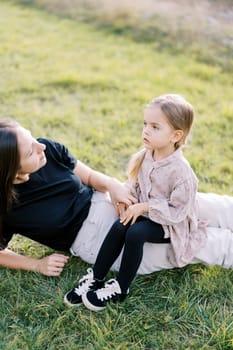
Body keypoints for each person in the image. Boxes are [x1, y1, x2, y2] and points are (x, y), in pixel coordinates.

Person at [64, 93, 208, 311]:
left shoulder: (182, 173)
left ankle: (121, 288)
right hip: (146, 212)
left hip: (170, 223)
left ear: (175, 135)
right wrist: (127, 197)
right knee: (120, 224)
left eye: (155, 127)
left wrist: (146, 206)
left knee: (136, 233)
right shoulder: (148, 154)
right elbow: (135, 183)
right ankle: (97, 277)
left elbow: (178, 211)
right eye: (145, 124)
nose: (146, 131)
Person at [0, 119, 136, 276]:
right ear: (13, 172)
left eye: (32, 138)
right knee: (164, 253)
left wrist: (112, 184)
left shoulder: (48, 150)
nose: (41, 146)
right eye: (30, 151)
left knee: (160, 211)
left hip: (104, 201)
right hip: (91, 240)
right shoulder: (5, 206)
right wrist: (36, 264)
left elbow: (90, 177)